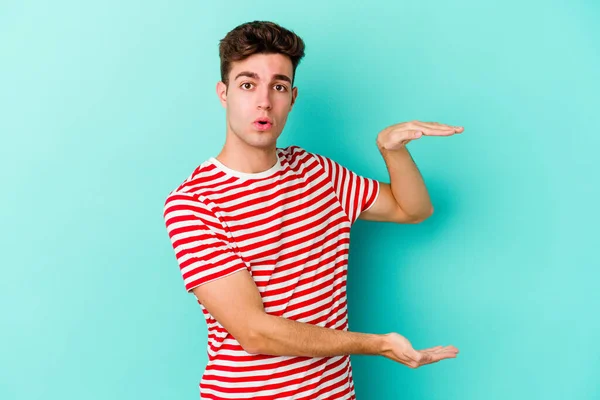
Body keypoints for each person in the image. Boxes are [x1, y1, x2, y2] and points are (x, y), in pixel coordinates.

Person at [163, 20, 462, 400]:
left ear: (293, 96)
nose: (264, 102)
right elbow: (254, 332)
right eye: (247, 84)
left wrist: (392, 150)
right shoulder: (193, 202)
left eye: (279, 86)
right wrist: (379, 345)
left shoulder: (317, 172)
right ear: (224, 93)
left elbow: (413, 209)